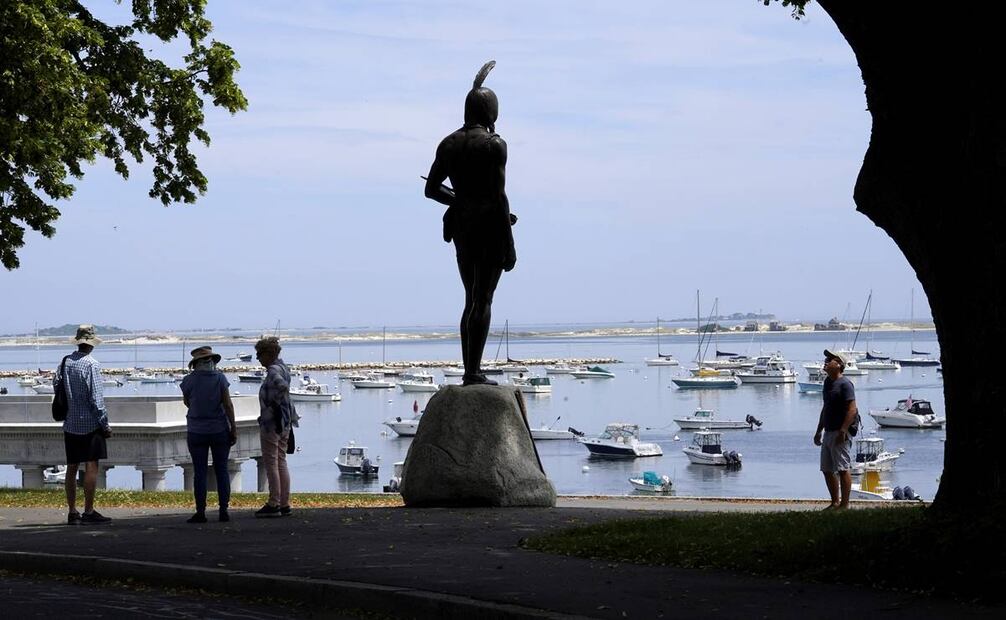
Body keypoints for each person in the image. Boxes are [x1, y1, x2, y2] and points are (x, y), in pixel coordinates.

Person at [425, 60, 517, 386]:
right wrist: (509, 244)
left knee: (470, 299)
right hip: (489, 228)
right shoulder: (494, 145)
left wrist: (461, 201)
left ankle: (470, 371)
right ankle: (473, 372)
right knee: (484, 298)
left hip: (462, 227)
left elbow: (431, 189)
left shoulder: (449, 144)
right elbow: (499, 198)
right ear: (490, 111)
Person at [61, 325, 112, 525]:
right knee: (91, 466)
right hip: (90, 424)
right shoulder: (92, 364)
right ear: (91, 344)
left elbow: (57, 386)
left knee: (71, 467)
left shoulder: (65, 362)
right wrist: (105, 424)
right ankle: (88, 511)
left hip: (70, 422)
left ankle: (72, 511)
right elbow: (96, 400)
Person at [180, 346, 237, 523]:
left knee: (200, 472)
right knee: (222, 470)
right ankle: (223, 510)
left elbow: (187, 402)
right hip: (219, 428)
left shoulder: (188, 380)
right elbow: (228, 405)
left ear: (195, 363)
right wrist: (233, 427)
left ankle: (201, 511)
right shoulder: (220, 378)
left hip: (196, 430)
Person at [254, 337, 294, 518]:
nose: (258, 358)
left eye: (259, 354)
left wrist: (272, 407)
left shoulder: (273, 371)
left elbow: (282, 387)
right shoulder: (284, 367)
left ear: (268, 354)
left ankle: (274, 502)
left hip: (272, 423)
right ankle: (284, 503)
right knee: (281, 460)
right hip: (284, 421)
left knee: (271, 462)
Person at [814, 349, 858, 510]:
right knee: (826, 469)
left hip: (840, 432)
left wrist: (843, 431)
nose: (825, 362)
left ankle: (844, 505)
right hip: (828, 431)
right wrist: (819, 430)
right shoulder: (828, 382)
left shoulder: (845, 384)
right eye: (826, 360)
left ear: (839, 365)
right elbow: (826, 407)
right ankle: (835, 502)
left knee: (842, 469)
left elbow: (852, 410)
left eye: (829, 360)